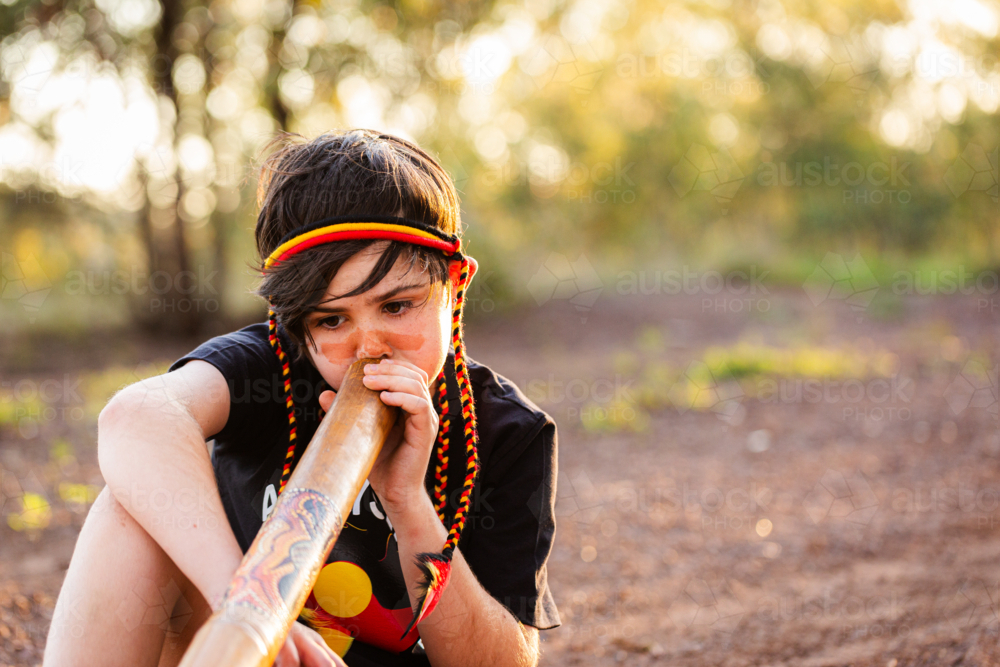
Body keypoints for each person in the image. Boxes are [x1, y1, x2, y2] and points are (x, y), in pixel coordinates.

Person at [44, 129, 560, 667]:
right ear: (297, 324)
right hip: (244, 652)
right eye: (332, 319)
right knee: (130, 507)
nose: (369, 346)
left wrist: (408, 500)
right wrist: (246, 606)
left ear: (455, 283)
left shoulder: (506, 429)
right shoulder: (270, 367)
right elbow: (136, 416)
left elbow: (505, 663)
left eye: (398, 306)